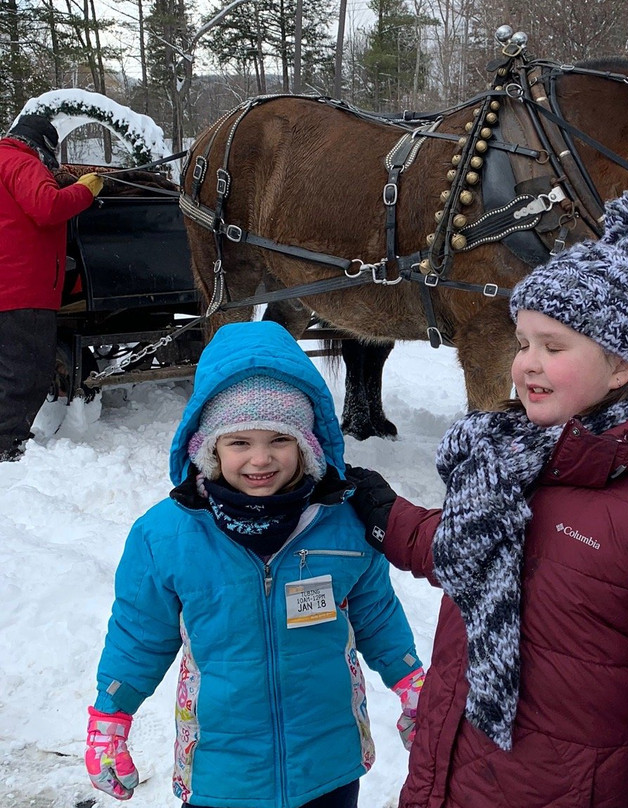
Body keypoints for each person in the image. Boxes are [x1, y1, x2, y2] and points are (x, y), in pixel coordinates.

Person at [346, 190, 628, 808]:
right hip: (459, 773)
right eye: (523, 343)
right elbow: (477, 552)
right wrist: (384, 514)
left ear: (622, 366)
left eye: (554, 346)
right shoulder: (513, 459)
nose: (526, 366)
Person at [85, 319, 426, 808]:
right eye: (239, 442)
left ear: (308, 443)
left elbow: (376, 613)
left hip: (327, 765)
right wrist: (110, 716)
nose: (260, 459)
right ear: (209, 448)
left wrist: (411, 679)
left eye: (280, 440)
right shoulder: (167, 535)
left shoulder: (342, 521)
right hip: (221, 773)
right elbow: (139, 632)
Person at [0, 114, 103, 461]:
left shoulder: (4, 160)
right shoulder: (21, 162)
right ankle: (6, 446)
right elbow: (48, 207)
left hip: (9, 286)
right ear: (41, 147)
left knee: (10, 368)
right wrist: (84, 191)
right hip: (22, 286)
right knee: (26, 371)